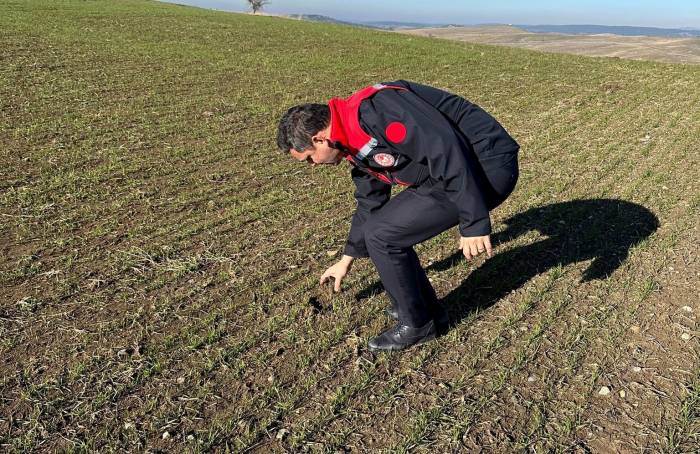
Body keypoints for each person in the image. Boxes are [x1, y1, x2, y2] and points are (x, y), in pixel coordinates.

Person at [276, 80, 519, 351]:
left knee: (383, 234)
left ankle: (418, 323)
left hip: (486, 164)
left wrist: (473, 222)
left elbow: (445, 148)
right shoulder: (353, 139)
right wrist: (346, 259)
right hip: (457, 169)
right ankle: (422, 309)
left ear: (319, 139)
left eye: (309, 158)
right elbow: (370, 202)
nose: (313, 165)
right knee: (380, 229)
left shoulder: (378, 111)